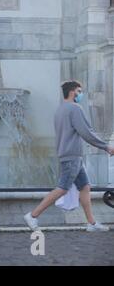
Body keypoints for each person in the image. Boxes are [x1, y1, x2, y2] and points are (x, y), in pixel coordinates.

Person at [24, 81, 114, 232]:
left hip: (70, 156)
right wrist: (106, 146)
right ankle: (33, 215)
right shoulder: (74, 109)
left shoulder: (60, 110)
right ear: (73, 92)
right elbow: (86, 132)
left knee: (85, 186)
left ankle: (91, 224)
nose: (81, 94)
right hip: (72, 156)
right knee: (62, 188)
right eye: (79, 91)